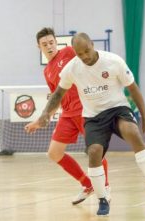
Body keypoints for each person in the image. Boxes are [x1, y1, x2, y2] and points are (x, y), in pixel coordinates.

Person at [25, 32, 145, 216]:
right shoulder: (60, 69)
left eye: (52, 42)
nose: (84, 56)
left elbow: (131, 87)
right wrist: (43, 116)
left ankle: (143, 184)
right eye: (45, 44)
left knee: (118, 139)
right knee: (73, 152)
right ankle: (95, 191)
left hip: (103, 109)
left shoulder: (90, 56)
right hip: (80, 115)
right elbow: (57, 94)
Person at [27, 27, 110, 205]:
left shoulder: (68, 52)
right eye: (44, 44)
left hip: (84, 109)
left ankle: (105, 188)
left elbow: (90, 58)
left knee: (96, 150)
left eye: (51, 42)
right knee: (54, 153)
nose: (49, 46)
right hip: (67, 114)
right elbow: (56, 98)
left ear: (56, 42)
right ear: (38, 47)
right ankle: (88, 185)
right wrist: (40, 120)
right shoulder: (47, 71)